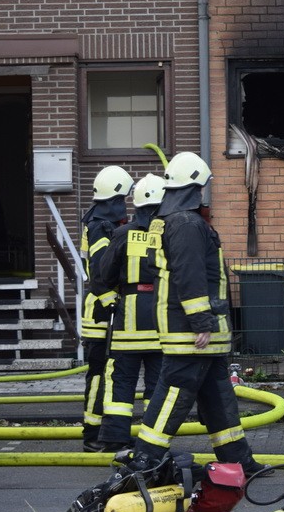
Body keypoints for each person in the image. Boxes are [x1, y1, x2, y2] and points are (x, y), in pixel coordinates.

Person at [124, 152, 265, 475]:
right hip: (191, 332)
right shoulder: (186, 224)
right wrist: (201, 320)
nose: (204, 192)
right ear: (194, 187)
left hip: (203, 332)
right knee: (174, 394)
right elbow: (189, 275)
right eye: (202, 186)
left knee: (219, 398)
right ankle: (145, 458)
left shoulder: (172, 222)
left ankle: (238, 460)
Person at [87, 173, 167, 452]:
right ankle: (151, 440)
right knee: (157, 384)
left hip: (127, 322)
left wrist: (111, 299)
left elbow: (101, 274)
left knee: (121, 382)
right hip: (160, 320)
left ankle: (114, 438)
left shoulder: (121, 234)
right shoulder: (171, 232)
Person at [80, 165, 134, 451]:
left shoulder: (100, 222)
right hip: (101, 312)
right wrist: (113, 301)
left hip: (102, 309)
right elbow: (101, 272)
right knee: (99, 373)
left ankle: (100, 431)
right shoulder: (101, 226)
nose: (124, 205)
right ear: (113, 199)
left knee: (104, 373)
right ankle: (92, 433)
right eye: (122, 199)